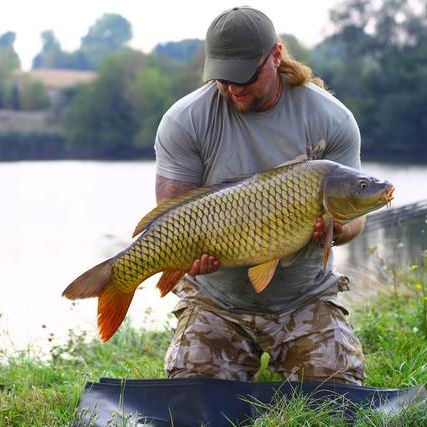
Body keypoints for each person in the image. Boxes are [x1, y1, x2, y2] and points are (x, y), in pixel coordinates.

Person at [155, 6, 365, 385]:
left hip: (305, 296)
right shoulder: (184, 120)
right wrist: (186, 259)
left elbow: (355, 219)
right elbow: (172, 218)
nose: (233, 88)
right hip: (214, 300)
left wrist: (335, 228)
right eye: (222, 78)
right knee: (191, 399)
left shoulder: (331, 119)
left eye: (245, 77)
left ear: (277, 56)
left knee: (337, 402)